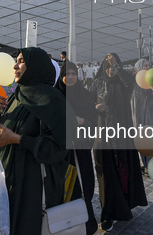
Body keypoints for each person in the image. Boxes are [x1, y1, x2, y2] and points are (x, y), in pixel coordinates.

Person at [0, 48, 70, 235]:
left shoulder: (52, 101)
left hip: (33, 187)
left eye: (21, 61)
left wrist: (17, 139)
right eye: (16, 60)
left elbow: (57, 149)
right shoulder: (18, 96)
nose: (15, 65)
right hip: (8, 181)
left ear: (36, 66)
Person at [91, 53, 147, 232]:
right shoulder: (96, 83)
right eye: (107, 66)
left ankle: (123, 205)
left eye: (113, 66)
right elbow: (87, 103)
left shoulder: (124, 85)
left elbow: (130, 82)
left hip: (121, 134)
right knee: (106, 175)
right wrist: (95, 107)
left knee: (122, 171)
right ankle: (107, 213)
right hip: (102, 135)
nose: (110, 70)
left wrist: (116, 66)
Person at [55, 60, 99, 235]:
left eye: (73, 73)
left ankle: (86, 223)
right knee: (62, 186)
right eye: (67, 74)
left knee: (84, 185)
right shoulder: (56, 96)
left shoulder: (87, 96)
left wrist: (82, 122)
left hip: (80, 149)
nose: (71, 77)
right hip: (60, 150)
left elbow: (94, 122)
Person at [130, 58, 153, 172]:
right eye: (145, 66)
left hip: (150, 113)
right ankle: (140, 163)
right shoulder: (133, 81)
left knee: (150, 137)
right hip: (137, 113)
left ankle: (149, 164)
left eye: (148, 65)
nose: (147, 68)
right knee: (138, 137)